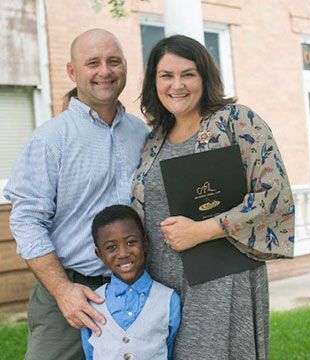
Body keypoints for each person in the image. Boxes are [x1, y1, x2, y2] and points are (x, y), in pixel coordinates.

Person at [132, 34, 295, 360]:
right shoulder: (154, 140)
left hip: (221, 282)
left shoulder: (237, 122)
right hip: (164, 288)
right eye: (166, 75)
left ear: (205, 78)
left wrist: (200, 231)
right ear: (154, 82)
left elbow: (274, 196)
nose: (177, 85)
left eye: (188, 74)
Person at [3, 29, 148, 360]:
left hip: (131, 289)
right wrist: (63, 291)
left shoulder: (142, 134)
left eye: (113, 61)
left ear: (125, 67)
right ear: (72, 71)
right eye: (92, 62)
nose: (105, 71)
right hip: (68, 292)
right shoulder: (51, 139)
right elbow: (26, 221)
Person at [81, 205, 181, 360]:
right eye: (111, 247)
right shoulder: (91, 304)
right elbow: (89, 353)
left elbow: (169, 348)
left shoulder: (169, 300)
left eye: (131, 242)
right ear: (99, 254)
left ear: (145, 243)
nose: (123, 253)